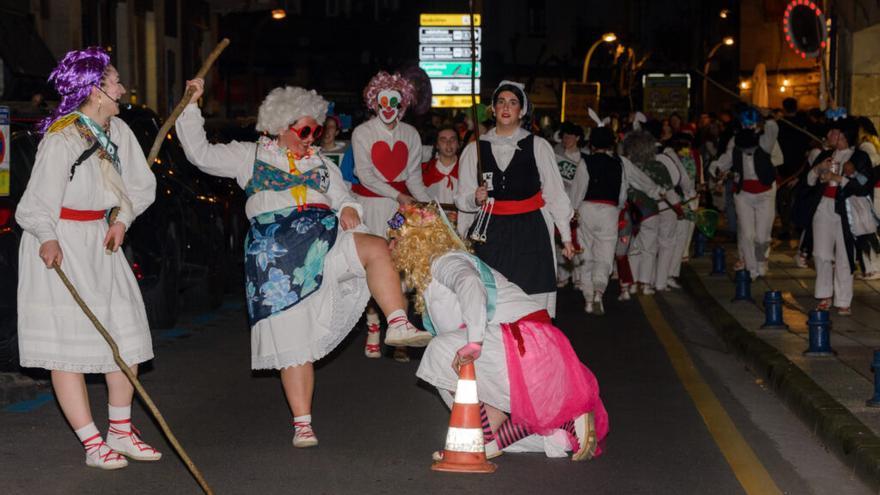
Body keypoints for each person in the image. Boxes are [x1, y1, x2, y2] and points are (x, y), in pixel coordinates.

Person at [176, 79, 430, 447]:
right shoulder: (250, 156)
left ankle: (398, 323)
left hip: (324, 241)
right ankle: (303, 423)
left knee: (376, 247)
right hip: (276, 257)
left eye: (316, 129)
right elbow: (199, 153)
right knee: (293, 343)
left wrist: (347, 209)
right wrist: (190, 106)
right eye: (306, 129)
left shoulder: (322, 164)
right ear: (283, 125)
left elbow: (346, 197)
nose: (313, 136)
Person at [16, 47, 160, 469]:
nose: (122, 88)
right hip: (60, 242)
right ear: (95, 90)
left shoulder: (119, 133)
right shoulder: (62, 137)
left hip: (102, 240)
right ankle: (92, 443)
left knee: (126, 337)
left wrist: (121, 218)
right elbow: (34, 205)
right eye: (115, 81)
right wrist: (46, 237)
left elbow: (139, 187)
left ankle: (119, 430)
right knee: (68, 347)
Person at [387, 203, 609, 461]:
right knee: (514, 440)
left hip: (527, 344)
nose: (389, 247)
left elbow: (469, 284)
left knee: (440, 351)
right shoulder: (433, 274)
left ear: (415, 240)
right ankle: (538, 430)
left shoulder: (445, 261)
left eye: (394, 240)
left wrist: (474, 342)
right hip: (524, 347)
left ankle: (560, 415)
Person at [456, 80, 575, 316]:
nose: (506, 107)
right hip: (490, 233)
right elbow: (462, 199)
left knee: (530, 298)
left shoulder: (538, 146)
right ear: (493, 109)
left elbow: (555, 193)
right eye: (501, 102)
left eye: (512, 102)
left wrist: (567, 236)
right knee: (490, 299)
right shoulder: (475, 149)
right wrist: (474, 199)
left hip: (530, 231)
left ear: (522, 111)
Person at [351, 71, 432, 360]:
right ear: (374, 102)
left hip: (400, 211)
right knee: (371, 268)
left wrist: (428, 206)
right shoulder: (362, 133)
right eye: (383, 101)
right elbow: (366, 175)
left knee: (401, 267)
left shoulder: (410, 134)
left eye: (395, 103)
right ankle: (374, 325)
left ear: (404, 104)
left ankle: (400, 334)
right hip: (369, 206)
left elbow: (414, 178)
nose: (389, 108)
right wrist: (398, 196)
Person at [807, 114, 875, 315]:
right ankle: (824, 294)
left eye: (835, 132)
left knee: (845, 255)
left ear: (844, 136)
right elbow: (809, 181)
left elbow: (864, 186)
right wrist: (820, 168)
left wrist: (840, 177)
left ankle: (843, 300)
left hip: (846, 211)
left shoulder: (859, 157)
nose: (830, 135)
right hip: (823, 208)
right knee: (820, 253)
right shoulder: (825, 155)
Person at [708, 109, 781, 280]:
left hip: (765, 193)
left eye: (751, 124)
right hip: (744, 194)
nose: (748, 127)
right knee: (747, 235)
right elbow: (725, 160)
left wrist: (765, 117)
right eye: (745, 124)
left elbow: (773, 127)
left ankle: (760, 260)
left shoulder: (765, 139)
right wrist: (716, 169)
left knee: (762, 237)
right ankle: (751, 268)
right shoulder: (735, 141)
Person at [570, 123, 625, 315]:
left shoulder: (586, 162)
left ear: (592, 144)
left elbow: (578, 190)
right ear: (611, 144)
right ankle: (599, 294)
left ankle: (587, 299)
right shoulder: (619, 164)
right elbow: (622, 194)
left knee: (586, 255)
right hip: (609, 210)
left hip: (587, 209)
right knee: (605, 254)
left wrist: (573, 210)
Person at [554, 121, 587, 289]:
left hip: (576, 204)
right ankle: (563, 275)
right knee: (560, 239)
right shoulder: (555, 154)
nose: (566, 139)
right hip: (559, 203)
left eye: (570, 136)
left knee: (577, 238)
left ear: (578, 138)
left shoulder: (583, 157)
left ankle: (578, 276)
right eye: (564, 136)